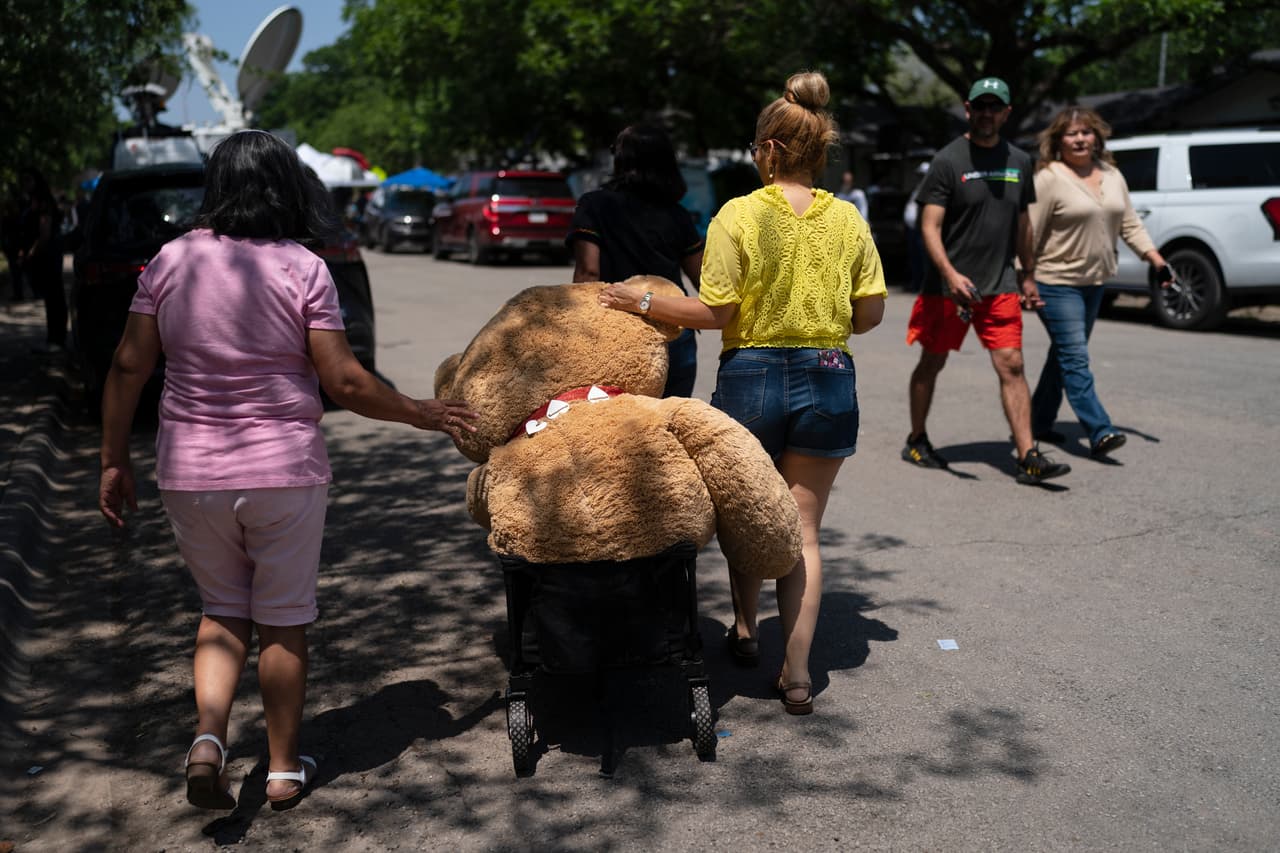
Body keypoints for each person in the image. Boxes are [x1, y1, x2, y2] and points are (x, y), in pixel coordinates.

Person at [97, 130, 479, 812]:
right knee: (282, 620)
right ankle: (280, 769)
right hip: (283, 472)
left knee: (221, 610)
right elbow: (345, 380)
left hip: (189, 471)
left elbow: (129, 365)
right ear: (285, 187)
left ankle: (209, 740)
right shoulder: (303, 266)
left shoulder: (171, 260)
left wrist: (111, 459)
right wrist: (422, 412)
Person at [599, 71, 887, 715]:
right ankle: (798, 673)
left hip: (752, 374)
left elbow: (717, 312)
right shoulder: (848, 219)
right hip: (830, 370)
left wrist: (641, 299)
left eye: (758, 149)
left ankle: (748, 630)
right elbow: (869, 315)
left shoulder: (737, 214)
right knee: (804, 530)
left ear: (770, 150)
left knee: (747, 511)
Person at [901, 77, 1070, 486]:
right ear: (968, 109)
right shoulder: (948, 161)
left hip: (1001, 284)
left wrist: (1028, 274)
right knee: (932, 362)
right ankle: (917, 438)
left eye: (996, 107)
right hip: (948, 288)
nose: (987, 114)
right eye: (981, 106)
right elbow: (929, 227)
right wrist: (950, 274)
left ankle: (1027, 454)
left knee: (1011, 364)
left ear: (1007, 113)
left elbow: (1024, 224)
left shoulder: (1019, 161)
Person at [1027, 106, 1172, 458]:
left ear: (1097, 137)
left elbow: (1129, 223)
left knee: (1063, 355)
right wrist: (1024, 277)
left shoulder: (1111, 174)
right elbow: (1028, 231)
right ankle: (1100, 429)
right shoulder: (1049, 178)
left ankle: (1038, 422)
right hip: (1055, 281)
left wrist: (1155, 259)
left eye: (1085, 132)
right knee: (1075, 357)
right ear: (1058, 141)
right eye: (1071, 134)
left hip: (1095, 282)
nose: (1079, 139)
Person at [567, 124, 705, 397]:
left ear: (621, 160)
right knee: (670, 423)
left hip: (616, 331)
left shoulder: (595, 206)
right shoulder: (678, 215)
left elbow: (587, 273)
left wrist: (578, 330)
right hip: (673, 331)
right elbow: (703, 279)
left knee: (619, 428)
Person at [17, 168, 66, 350]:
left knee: (54, 297)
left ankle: (57, 339)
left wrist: (32, 252)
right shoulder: (32, 202)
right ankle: (53, 338)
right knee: (51, 297)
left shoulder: (43, 202)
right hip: (43, 254)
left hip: (48, 255)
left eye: (28, 180)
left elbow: (44, 233)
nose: (25, 184)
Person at [901, 161, 931, 294]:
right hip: (912, 229)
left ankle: (924, 286)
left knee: (924, 258)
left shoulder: (930, 189)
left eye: (923, 174)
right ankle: (916, 283)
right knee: (914, 258)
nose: (921, 177)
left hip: (921, 229)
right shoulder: (918, 188)